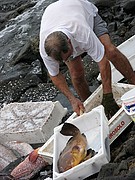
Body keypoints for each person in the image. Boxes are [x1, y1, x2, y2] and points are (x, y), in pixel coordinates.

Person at [39, 0, 135, 118]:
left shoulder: (82, 32)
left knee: (110, 51)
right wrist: (72, 100)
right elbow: (54, 75)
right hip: (57, 19)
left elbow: (103, 61)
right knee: (76, 75)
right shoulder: (46, 49)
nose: (68, 60)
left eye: (68, 56)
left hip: (87, 15)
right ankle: (93, 110)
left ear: (69, 42)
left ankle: (134, 82)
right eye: (64, 60)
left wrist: (108, 96)